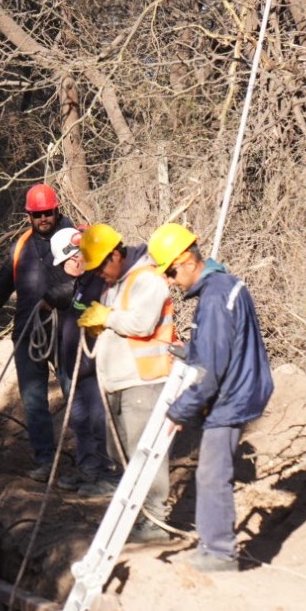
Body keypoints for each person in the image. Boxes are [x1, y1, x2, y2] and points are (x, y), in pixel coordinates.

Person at [148, 222, 273, 573]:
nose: (171, 280)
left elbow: (211, 370)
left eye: (171, 271)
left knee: (212, 474)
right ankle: (213, 546)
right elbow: (220, 347)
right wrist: (191, 350)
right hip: (237, 388)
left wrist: (179, 410)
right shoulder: (222, 288)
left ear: (187, 259)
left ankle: (219, 552)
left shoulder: (216, 297)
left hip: (231, 396)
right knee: (210, 472)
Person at [0, 184, 73, 480]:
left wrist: (55, 299)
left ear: (56, 209)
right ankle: (44, 461)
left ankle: (90, 463)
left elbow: (83, 279)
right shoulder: (20, 248)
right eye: (37, 214)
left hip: (66, 333)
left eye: (48, 212)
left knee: (75, 397)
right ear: (29, 216)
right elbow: (1, 288)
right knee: (34, 400)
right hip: (28, 333)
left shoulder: (74, 238)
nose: (43, 219)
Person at [76, 224, 179, 523]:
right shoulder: (116, 284)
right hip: (120, 381)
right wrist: (102, 322)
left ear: (114, 256)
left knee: (143, 450)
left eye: (99, 268)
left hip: (143, 381)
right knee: (119, 445)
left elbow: (142, 324)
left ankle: (155, 516)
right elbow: (118, 322)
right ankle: (125, 485)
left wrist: (107, 317)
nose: (98, 275)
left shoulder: (147, 279)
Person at [43, 226, 111, 494]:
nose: (66, 267)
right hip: (73, 365)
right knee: (80, 418)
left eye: (67, 262)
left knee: (97, 419)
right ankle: (88, 468)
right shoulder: (80, 282)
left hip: (93, 365)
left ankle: (104, 473)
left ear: (76, 256)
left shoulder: (98, 280)